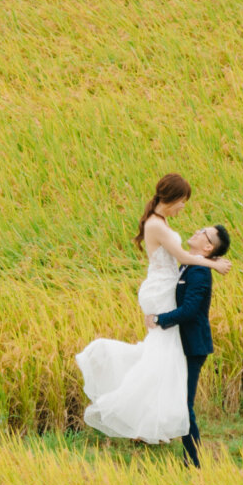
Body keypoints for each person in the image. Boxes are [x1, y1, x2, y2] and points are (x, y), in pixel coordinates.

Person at [74, 173, 230, 446]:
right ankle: (153, 417)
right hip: (160, 289)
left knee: (158, 357)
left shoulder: (162, 220)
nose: (184, 207)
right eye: (182, 201)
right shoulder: (156, 224)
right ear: (171, 199)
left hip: (164, 286)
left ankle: (157, 419)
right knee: (161, 356)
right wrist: (213, 263)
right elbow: (181, 257)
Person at [156, 224, 229, 466]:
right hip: (181, 344)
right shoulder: (189, 264)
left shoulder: (198, 272)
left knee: (183, 405)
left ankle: (195, 461)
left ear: (208, 247)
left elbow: (190, 310)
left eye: (203, 233)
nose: (196, 231)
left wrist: (159, 320)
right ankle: (188, 455)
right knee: (176, 401)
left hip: (193, 347)